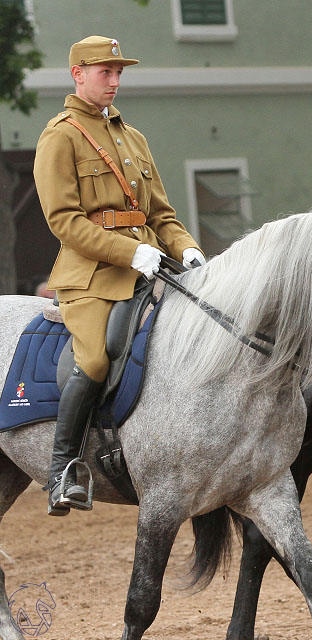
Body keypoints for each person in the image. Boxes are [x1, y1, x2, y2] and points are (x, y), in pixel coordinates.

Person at [34, 36, 205, 515]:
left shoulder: (134, 138)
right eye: (103, 71)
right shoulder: (61, 135)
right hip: (91, 276)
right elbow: (64, 221)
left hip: (151, 265)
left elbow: (162, 214)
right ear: (77, 74)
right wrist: (128, 252)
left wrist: (187, 249)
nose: (113, 80)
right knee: (93, 360)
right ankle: (63, 469)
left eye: (118, 72)